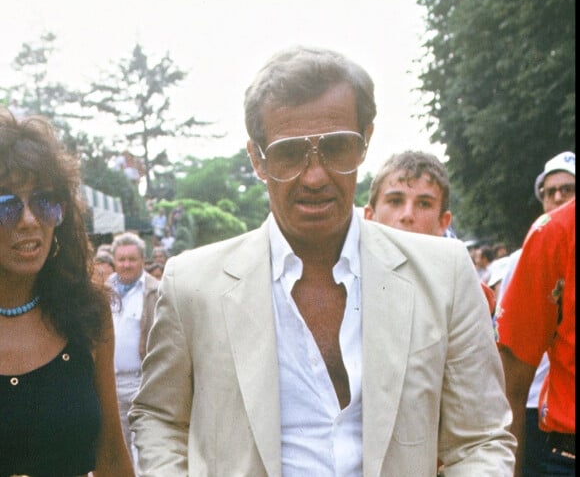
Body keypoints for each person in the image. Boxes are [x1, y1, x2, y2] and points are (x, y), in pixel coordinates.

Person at [130, 45, 515, 475]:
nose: (314, 176)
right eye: (290, 153)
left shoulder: (443, 273)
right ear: (258, 158)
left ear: (365, 143)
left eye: (335, 148)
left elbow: (480, 439)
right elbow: (160, 418)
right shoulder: (193, 284)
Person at [0, 109, 134, 476]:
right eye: (6, 205)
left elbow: (111, 455)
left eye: (44, 201)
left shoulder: (87, 312)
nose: (29, 220)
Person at [494, 150, 575, 476]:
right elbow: (511, 383)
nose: (556, 197)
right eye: (549, 191)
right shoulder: (552, 235)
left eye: (566, 189)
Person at [363, 150, 496, 315]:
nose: (407, 215)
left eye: (424, 204)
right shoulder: (343, 287)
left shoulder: (466, 297)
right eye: (395, 201)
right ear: (369, 216)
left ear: (443, 222)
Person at [108, 231, 159, 470]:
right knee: (118, 450)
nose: (126, 265)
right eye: (121, 259)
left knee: (149, 448)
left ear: (142, 261)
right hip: (110, 383)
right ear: (114, 262)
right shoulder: (103, 290)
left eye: (132, 259)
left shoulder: (155, 291)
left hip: (143, 383)